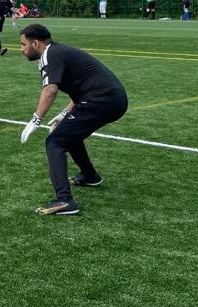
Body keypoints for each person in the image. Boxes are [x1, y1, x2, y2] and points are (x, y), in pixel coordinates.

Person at [18, 24, 129, 215]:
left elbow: (50, 90)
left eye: (23, 44)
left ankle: (64, 200)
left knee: (55, 142)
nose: (21, 49)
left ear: (35, 43)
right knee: (68, 133)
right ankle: (89, 175)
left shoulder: (50, 55)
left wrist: (35, 120)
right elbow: (83, 86)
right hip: (112, 99)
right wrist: (64, 114)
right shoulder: (58, 52)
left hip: (103, 100)